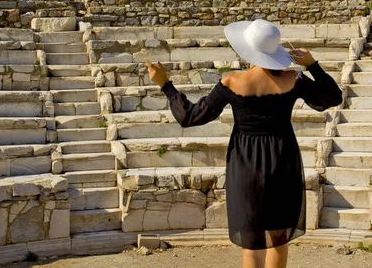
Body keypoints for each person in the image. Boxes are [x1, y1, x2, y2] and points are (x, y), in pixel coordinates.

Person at [145, 19, 343, 268]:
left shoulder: (231, 82)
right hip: (283, 160)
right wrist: (312, 65)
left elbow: (189, 117)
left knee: (252, 245)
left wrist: (165, 84)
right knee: (278, 240)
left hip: (245, 164)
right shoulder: (294, 79)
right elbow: (333, 97)